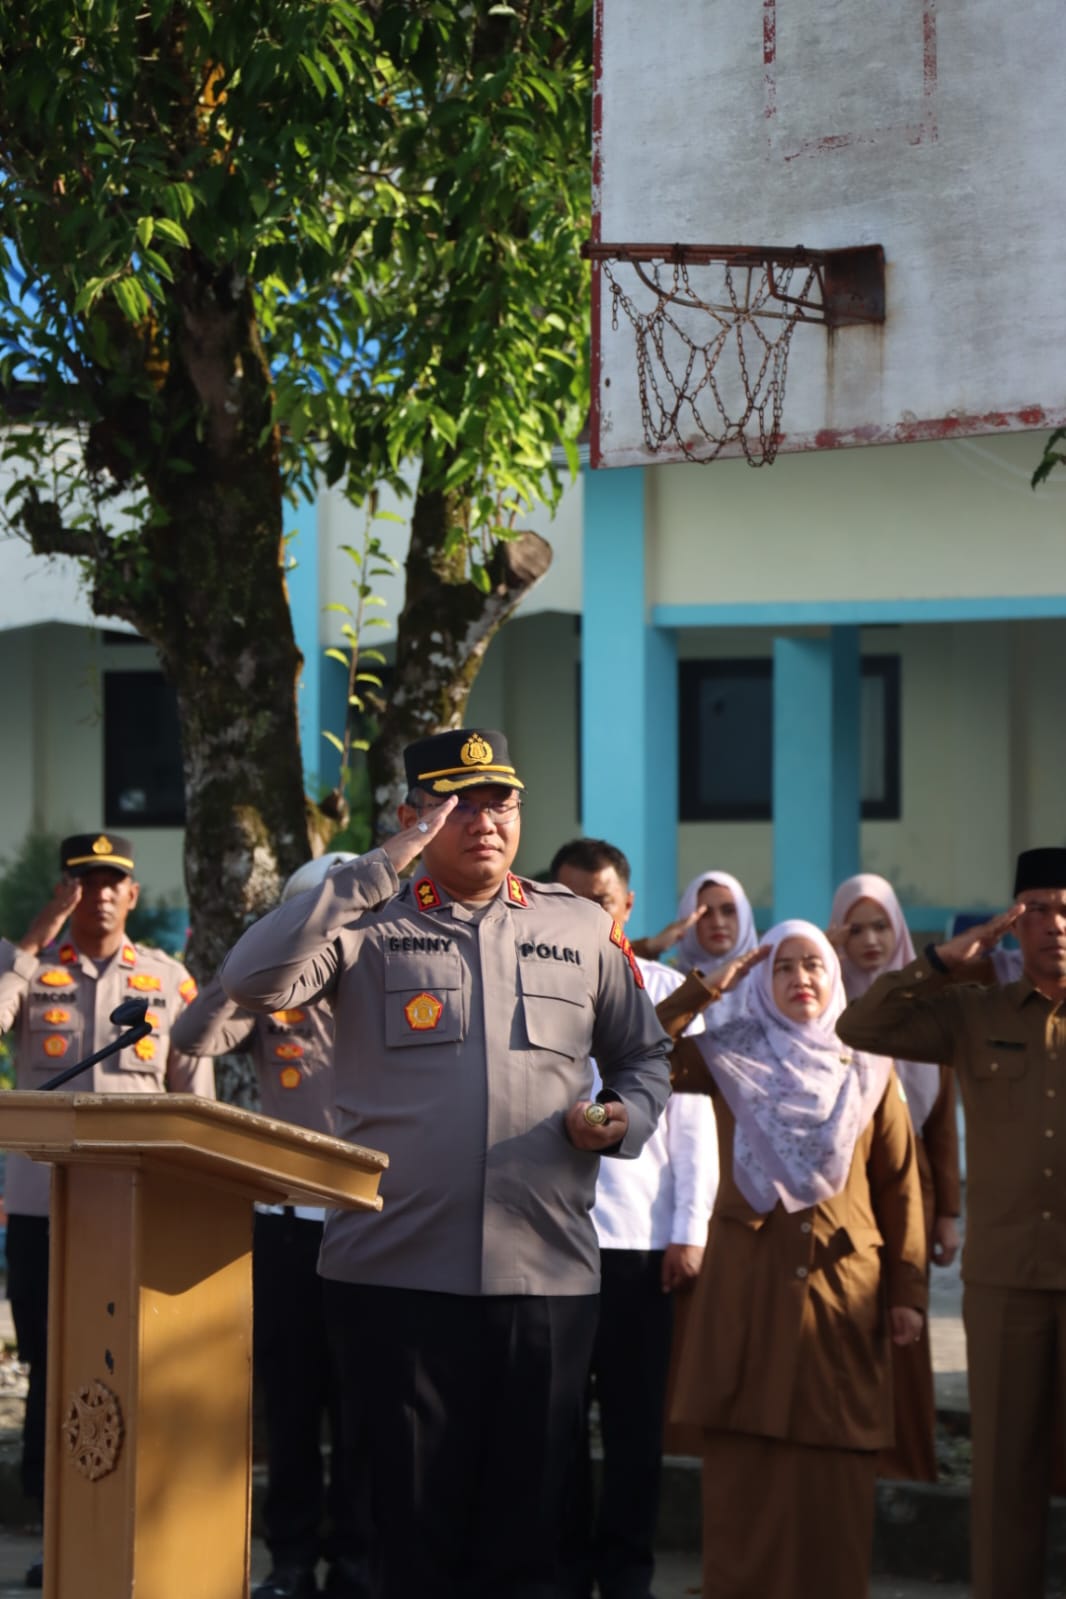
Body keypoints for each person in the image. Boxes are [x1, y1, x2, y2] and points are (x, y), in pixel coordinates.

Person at [219, 729, 672, 1599]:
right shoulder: (364, 922)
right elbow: (251, 979)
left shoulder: (577, 926)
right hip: (393, 1276)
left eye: (500, 799)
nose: (485, 819)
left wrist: (623, 1118)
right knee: (409, 1531)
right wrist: (373, 869)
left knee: (534, 1534)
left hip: (543, 1276)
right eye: (457, 802)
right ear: (412, 817)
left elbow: (645, 1059)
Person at [670, 920, 926, 1599]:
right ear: (762, 980)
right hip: (746, 1298)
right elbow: (640, 1050)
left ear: (835, 974)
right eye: (784, 966)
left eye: (814, 963)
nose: (802, 978)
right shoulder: (729, 1056)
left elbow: (901, 1184)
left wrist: (908, 1292)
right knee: (744, 1473)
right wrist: (702, 989)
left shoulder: (871, 1064)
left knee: (834, 1478)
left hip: (842, 1300)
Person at [836, 847, 1066, 1599]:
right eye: (1035, 908)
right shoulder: (976, 1014)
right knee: (1004, 1471)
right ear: (1012, 920)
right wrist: (937, 960)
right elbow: (862, 1023)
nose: (1053, 924)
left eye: (1065, 907)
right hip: (1007, 1281)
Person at [0, 833, 214, 1590]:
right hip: (42, 1209)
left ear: (131, 894)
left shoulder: (165, 978)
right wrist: (30, 941)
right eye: (82, 883)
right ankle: (60, 1533)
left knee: (144, 1365)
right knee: (55, 1367)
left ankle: (141, 1530)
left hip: (141, 1207)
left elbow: (197, 1096)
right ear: (65, 892)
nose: (96, 896)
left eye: (110, 883)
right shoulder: (28, 969)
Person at [171, 852, 367, 1599]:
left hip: (370, 1226)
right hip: (287, 1229)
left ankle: (357, 1563)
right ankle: (288, 1562)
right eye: (318, 914)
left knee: (363, 1405)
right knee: (290, 1406)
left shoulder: (391, 986)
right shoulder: (271, 998)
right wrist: (247, 968)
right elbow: (192, 1036)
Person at [550, 837, 717, 1599]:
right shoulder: (535, 982)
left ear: (627, 907)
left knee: (632, 1427)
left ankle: (626, 1576)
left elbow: (693, 1126)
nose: (589, 914)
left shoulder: (670, 989)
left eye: (603, 901)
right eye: (572, 900)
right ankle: (557, 1569)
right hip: (548, 1242)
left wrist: (690, 1230)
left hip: (640, 1243)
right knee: (551, 1427)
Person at [829, 872, 961, 1482]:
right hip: (844, 1195)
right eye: (856, 929)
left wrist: (949, 1213)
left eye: (882, 925)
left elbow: (940, 1129)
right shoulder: (823, 1004)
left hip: (915, 1196)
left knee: (905, 1324)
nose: (871, 940)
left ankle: (906, 1463)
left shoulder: (926, 1011)